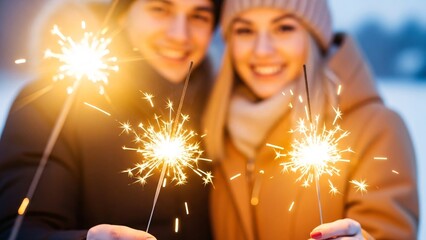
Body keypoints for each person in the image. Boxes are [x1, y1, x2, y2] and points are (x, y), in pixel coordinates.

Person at [0, 0, 222, 239]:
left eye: (199, 16)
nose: (180, 35)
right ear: (122, 13)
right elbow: (19, 230)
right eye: (160, 9)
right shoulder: (52, 104)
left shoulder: (222, 111)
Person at [203, 0, 419, 239]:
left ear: (313, 37)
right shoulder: (214, 129)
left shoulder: (377, 129)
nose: (262, 50)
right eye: (245, 30)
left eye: (284, 28)